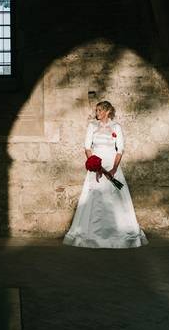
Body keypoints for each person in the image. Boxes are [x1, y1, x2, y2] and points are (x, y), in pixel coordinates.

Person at [63, 100, 148, 249]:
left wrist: (114, 168)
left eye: (100, 111)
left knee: (116, 195)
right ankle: (91, 235)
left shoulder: (116, 127)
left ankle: (120, 233)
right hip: (97, 166)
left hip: (111, 165)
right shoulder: (92, 126)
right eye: (96, 111)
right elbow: (87, 147)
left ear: (108, 111)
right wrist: (93, 163)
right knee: (94, 197)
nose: (97, 113)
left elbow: (119, 149)